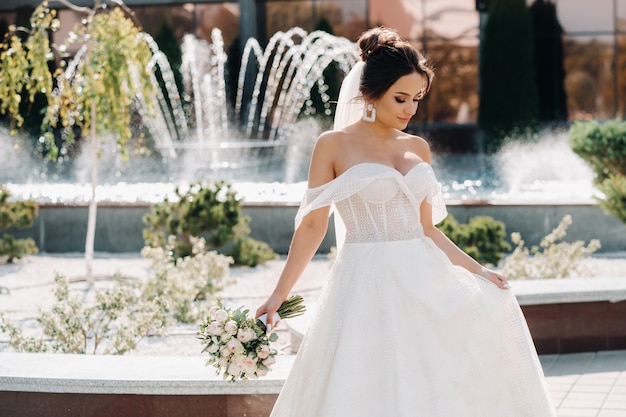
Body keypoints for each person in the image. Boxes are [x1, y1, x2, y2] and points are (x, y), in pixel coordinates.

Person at [256, 26, 556, 417]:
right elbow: (312, 226)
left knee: (442, 382)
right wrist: (278, 295)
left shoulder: (418, 147)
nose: (410, 109)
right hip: (368, 282)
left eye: (416, 99)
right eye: (401, 98)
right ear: (370, 92)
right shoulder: (333, 144)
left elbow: (427, 230)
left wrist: (478, 270)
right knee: (370, 384)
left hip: (426, 279)